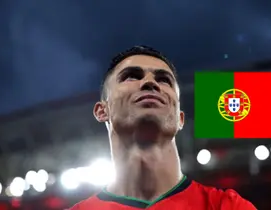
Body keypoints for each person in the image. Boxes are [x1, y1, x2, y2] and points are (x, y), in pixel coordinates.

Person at [69, 46, 256, 210]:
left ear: (180, 118)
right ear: (102, 111)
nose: (150, 83)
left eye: (164, 80)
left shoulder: (227, 206)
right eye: (131, 76)